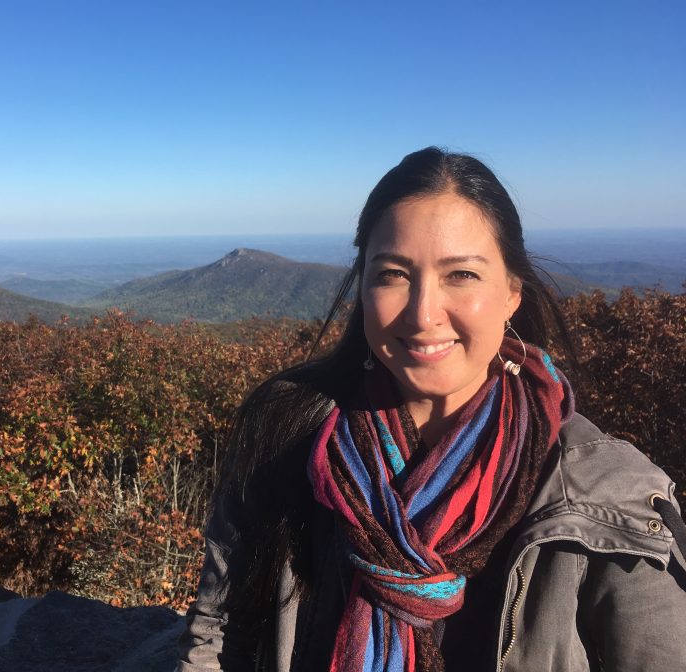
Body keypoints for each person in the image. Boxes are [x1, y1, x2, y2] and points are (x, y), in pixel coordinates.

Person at [176, 147, 686, 671]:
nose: (422, 313)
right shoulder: (288, 429)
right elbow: (221, 633)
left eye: (461, 274)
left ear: (512, 292)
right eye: (393, 274)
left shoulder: (606, 492)